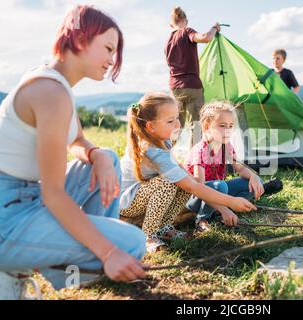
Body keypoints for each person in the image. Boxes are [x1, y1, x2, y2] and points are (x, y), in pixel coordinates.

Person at [0, 5, 149, 295]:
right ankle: (64, 265)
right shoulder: (50, 92)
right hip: (6, 216)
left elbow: (77, 140)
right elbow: (53, 194)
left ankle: (73, 261)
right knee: (131, 243)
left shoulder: (57, 84)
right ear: (81, 39)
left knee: (108, 158)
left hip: (23, 197)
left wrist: (98, 156)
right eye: (107, 48)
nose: (111, 60)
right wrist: (108, 252)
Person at [119, 93, 256, 253]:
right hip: (127, 202)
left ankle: (164, 227)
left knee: (183, 179)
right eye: (170, 121)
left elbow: (183, 173)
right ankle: (149, 235)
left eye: (177, 118)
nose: (177, 125)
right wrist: (230, 202)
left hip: (144, 193)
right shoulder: (152, 149)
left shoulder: (163, 140)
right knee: (171, 183)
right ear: (151, 126)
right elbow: (192, 187)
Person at [184, 101, 283, 233]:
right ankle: (203, 219)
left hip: (219, 192)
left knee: (255, 181)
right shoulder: (200, 151)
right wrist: (224, 208)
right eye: (222, 126)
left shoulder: (226, 146)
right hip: (195, 197)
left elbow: (241, 169)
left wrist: (253, 176)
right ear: (206, 126)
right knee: (221, 186)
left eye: (231, 126)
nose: (228, 130)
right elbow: (199, 187)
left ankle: (223, 208)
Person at [164, 6, 221, 146]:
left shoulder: (168, 42)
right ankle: (194, 162)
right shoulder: (186, 31)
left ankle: (167, 156)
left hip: (175, 88)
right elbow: (206, 38)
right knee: (196, 126)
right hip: (192, 86)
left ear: (171, 24)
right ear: (186, 20)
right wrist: (214, 28)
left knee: (175, 126)